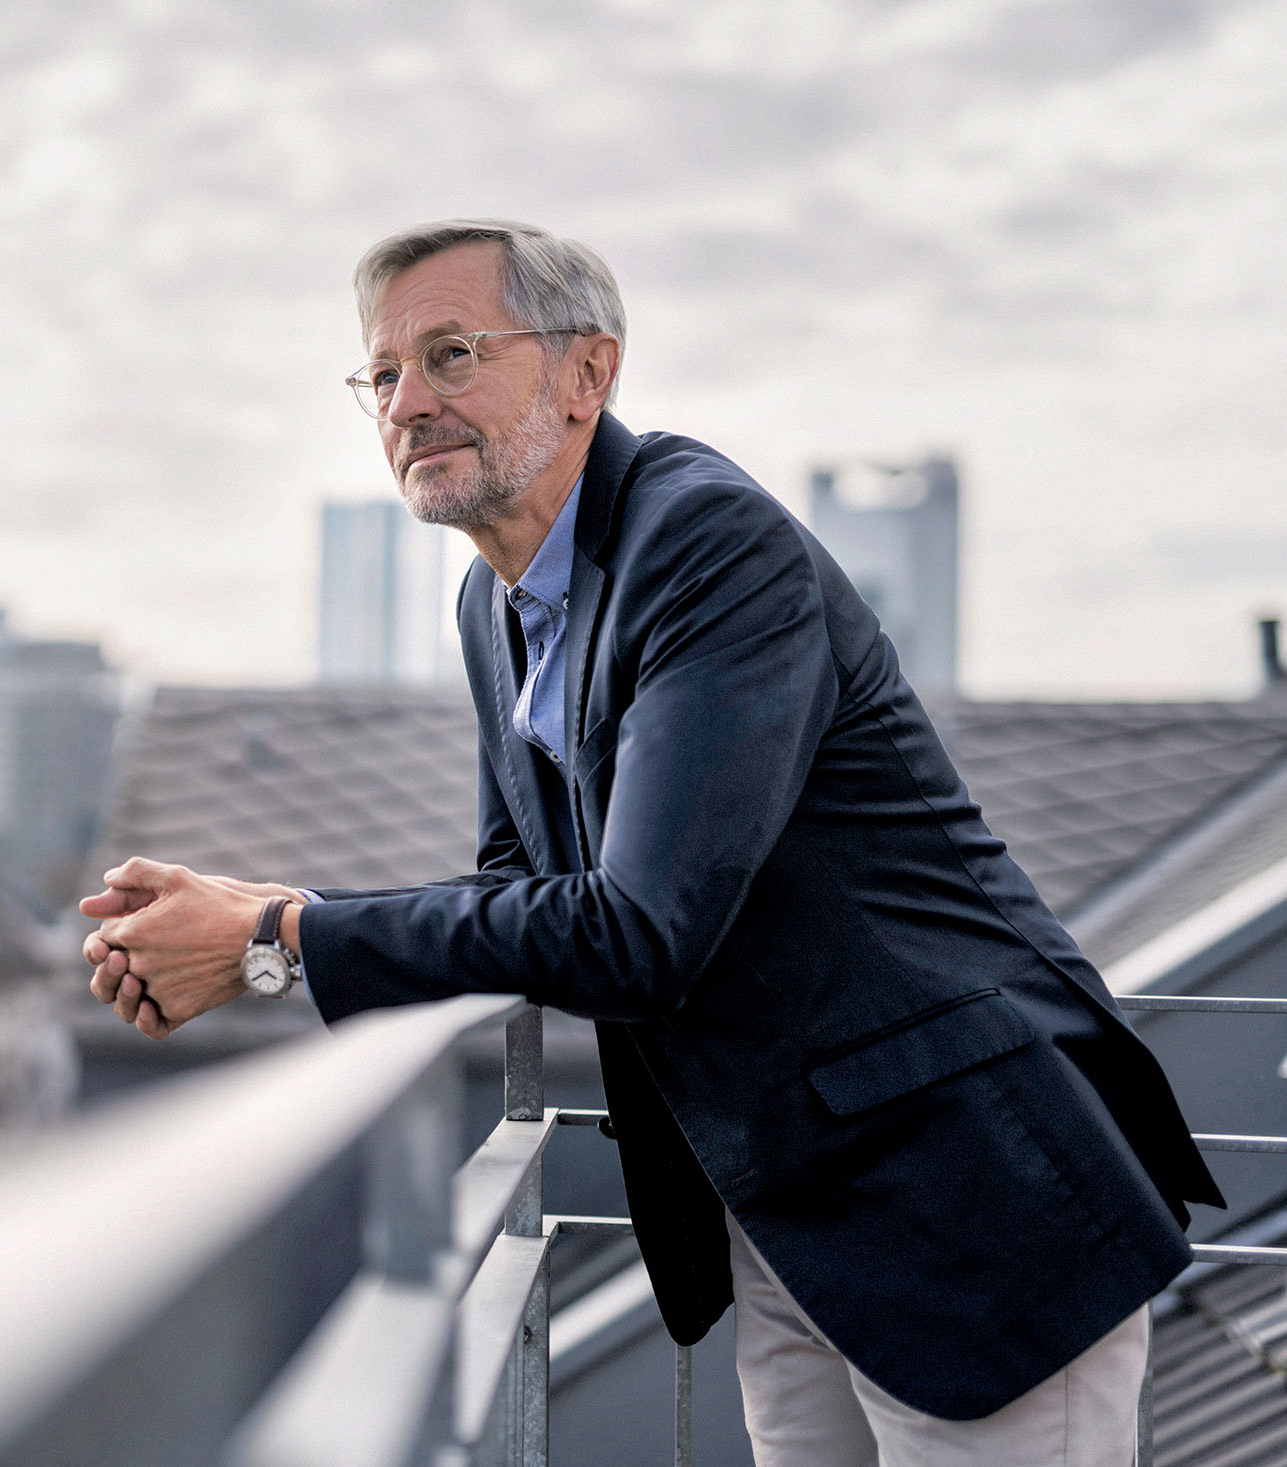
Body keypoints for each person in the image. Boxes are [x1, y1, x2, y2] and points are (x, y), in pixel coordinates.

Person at [80, 219, 1221, 1466]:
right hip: (785, 1211)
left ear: (588, 374)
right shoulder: (491, 600)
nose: (408, 403)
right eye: (383, 374)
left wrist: (272, 943)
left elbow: (637, 931)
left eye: (453, 354)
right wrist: (276, 907)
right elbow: (524, 888)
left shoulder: (706, 543)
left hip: (963, 1199)